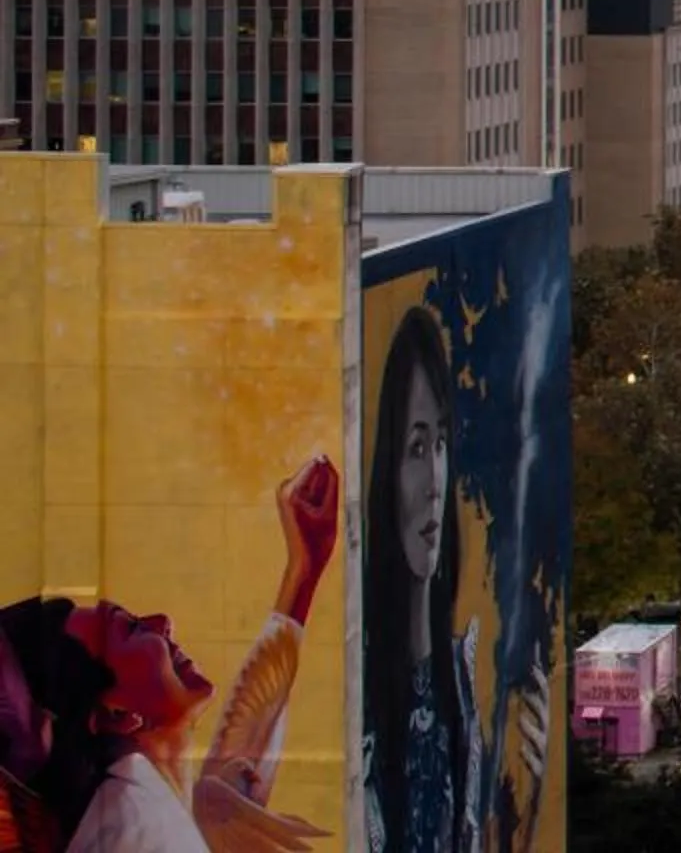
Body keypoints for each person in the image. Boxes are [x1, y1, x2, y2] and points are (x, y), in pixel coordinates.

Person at [0, 454, 339, 853]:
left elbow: (236, 765)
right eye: (131, 629)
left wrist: (304, 568)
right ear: (118, 715)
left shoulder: (144, 802)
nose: (163, 621)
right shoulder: (133, 830)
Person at [364, 309, 544, 853]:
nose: (434, 480)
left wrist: (528, 803)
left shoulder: (466, 677)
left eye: (441, 443)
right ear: (384, 471)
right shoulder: (360, 695)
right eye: (415, 448)